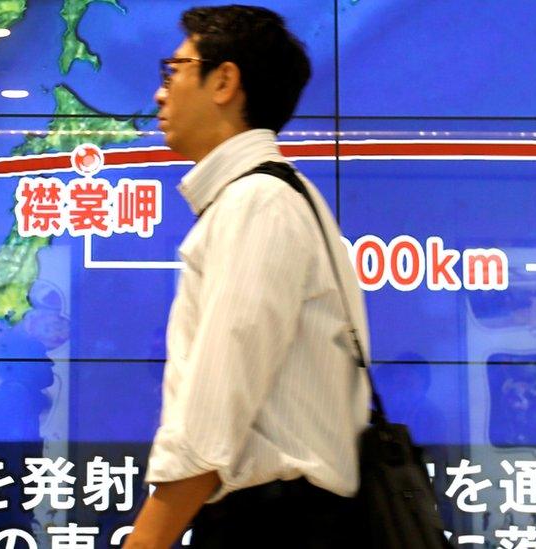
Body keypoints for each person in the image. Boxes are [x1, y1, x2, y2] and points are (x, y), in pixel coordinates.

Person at [124, 5, 372, 548]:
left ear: (225, 81)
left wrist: (145, 541)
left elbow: (212, 418)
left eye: (175, 70)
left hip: (273, 523)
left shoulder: (256, 202)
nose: (161, 94)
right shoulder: (278, 195)